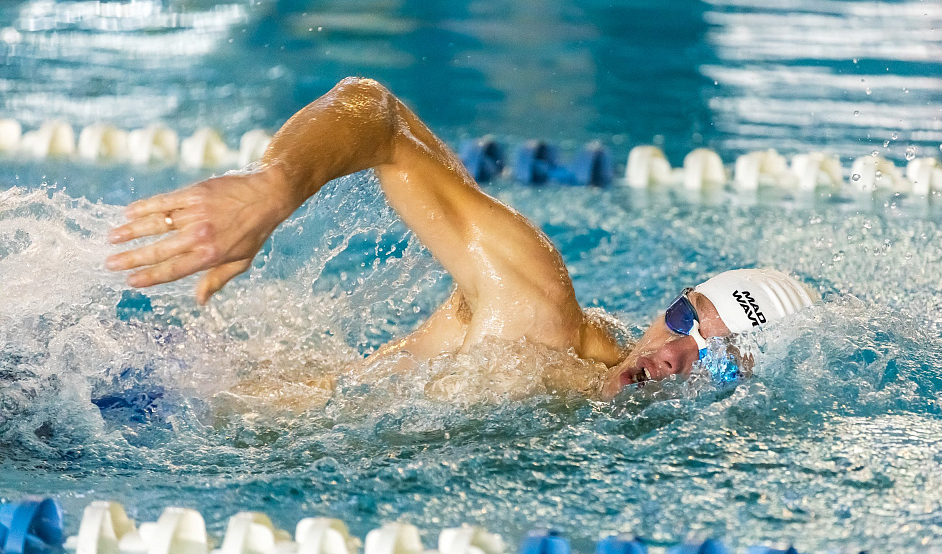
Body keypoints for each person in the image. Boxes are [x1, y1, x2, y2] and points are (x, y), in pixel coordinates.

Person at [106, 77, 817, 400]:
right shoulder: (539, 310)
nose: (668, 358)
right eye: (688, 321)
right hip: (152, 397)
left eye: (714, 361)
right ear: (672, 303)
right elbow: (379, 116)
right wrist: (276, 186)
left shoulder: (590, 399)